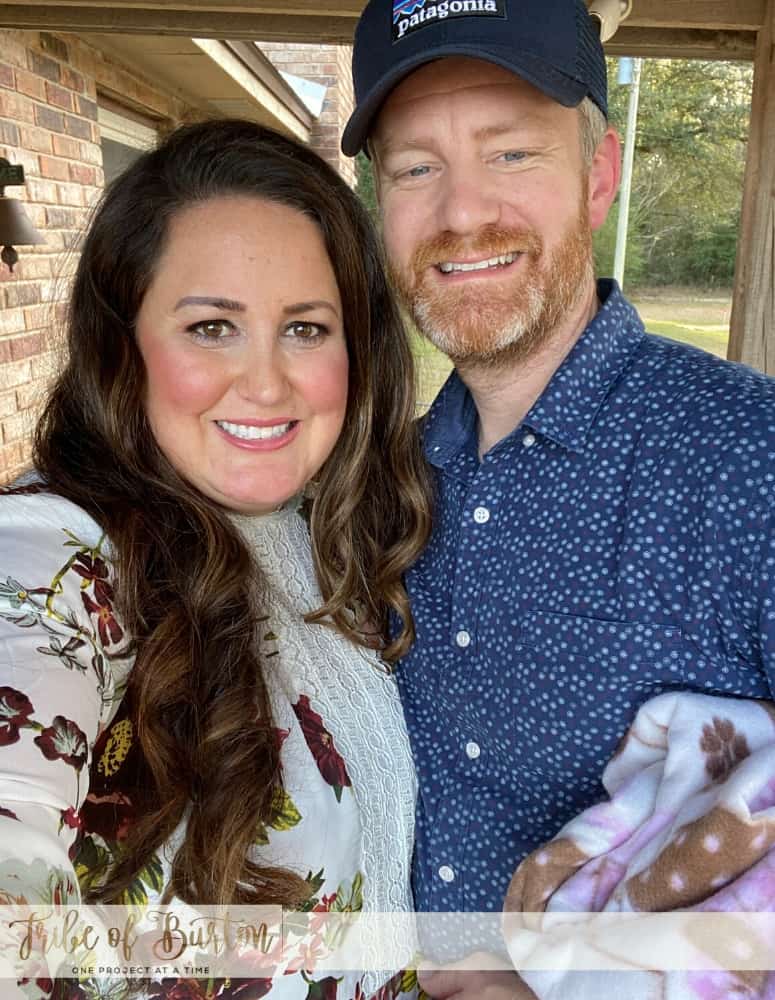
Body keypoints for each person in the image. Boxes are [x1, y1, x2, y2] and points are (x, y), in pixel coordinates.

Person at [341, 0, 775, 948]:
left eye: (512, 154)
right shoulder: (379, 481)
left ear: (599, 174)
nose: (461, 213)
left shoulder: (752, 459)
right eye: (416, 167)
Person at [0, 118, 433, 1000]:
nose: (267, 382)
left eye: (306, 328)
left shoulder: (331, 539)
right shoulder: (61, 552)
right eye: (210, 327)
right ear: (123, 344)